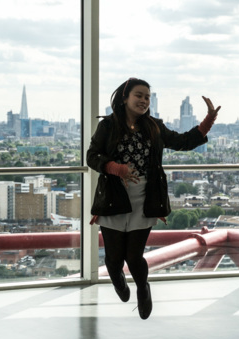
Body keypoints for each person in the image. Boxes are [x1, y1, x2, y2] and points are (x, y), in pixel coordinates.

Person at [86, 78, 220, 320]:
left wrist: (208, 120)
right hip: (113, 199)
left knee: (134, 256)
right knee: (114, 260)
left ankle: (143, 288)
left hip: (144, 200)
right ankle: (118, 282)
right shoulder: (109, 125)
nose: (144, 101)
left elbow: (183, 142)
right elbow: (92, 156)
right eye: (139, 95)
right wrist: (116, 168)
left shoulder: (154, 126)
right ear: (125, 97)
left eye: (147, 97)